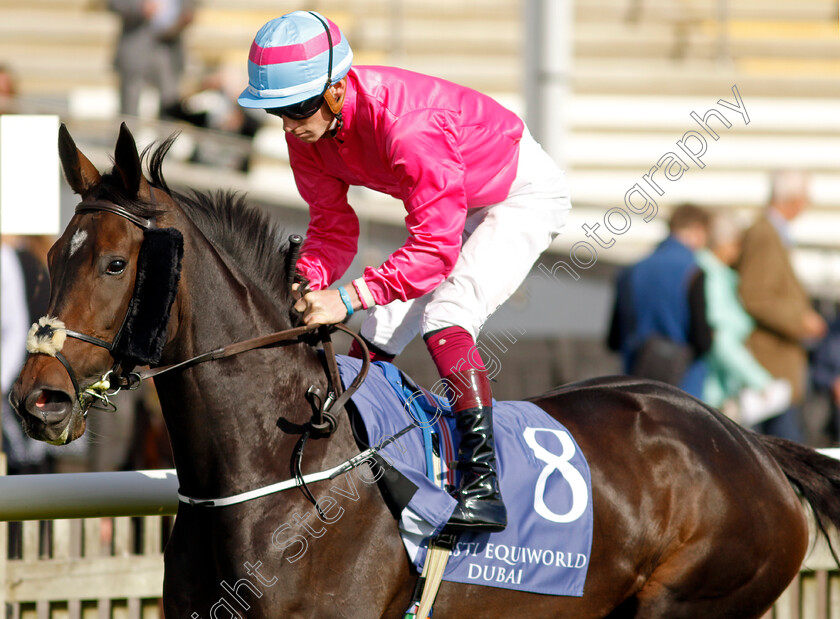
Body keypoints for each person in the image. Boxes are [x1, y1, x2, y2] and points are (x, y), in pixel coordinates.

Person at [237, 11, 572, 532]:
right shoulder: (308, 132)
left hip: (517, 195)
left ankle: (485, 484)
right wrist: (302, 285)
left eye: (297, 107)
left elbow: (436, 251)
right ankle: (360, 454)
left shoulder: (408, 125)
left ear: (335, 88)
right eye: (275, 111)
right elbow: (331, 229)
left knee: (447, 315)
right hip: (455, 202)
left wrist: (344, 298)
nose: (289, 125)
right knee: (378, 327)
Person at [737, 170, 827, 442]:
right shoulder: (764, 234)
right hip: (769, 365)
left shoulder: (773, 233)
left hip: (778, 366)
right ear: (794, 198)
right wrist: (800, 320)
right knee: (783, 450)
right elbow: (755, 295)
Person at [607, 203, 712, 398]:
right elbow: (701, 341)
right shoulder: (693, 271)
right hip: (683, 389)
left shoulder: (631, 270)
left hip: (636, 387)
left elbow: (614, 339)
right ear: (698, 230)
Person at [696, 212, 791, 425]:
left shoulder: (719, 275)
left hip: (719, 387)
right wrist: (762, 383)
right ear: (724, 242)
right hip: (711, 392)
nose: (739, 252)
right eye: (736, 244)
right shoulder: (712, 277)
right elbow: (721, 341)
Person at [108, 0, 195, 118]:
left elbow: (190, 7)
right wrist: (140, 8)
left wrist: (186, 15)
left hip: (170, 46)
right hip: (136, 44)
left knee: (169, 105)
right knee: (130, 107)